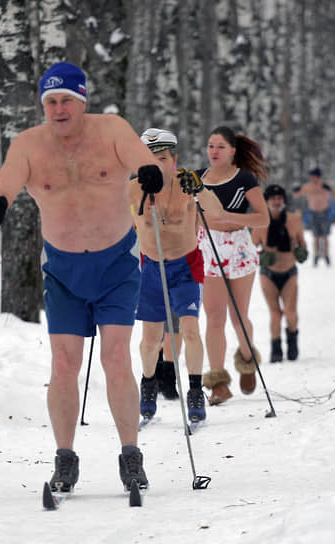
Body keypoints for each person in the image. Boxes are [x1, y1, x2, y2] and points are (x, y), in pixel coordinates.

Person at [0, 62, 163, 495]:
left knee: (115, 358)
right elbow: (3, 185)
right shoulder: (28, 145)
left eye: (66, 101)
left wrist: (150, 173)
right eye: (50, 101)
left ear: (82, 101)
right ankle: (65, 458)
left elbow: (145, 161)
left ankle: (131, 455)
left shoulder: (111, 130)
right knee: (64, 363)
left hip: (116, 264)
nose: (58, 109)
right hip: (62, 269)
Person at [130, 127, 225, 423]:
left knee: (190, 328)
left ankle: (195, 390)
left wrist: (200, 189)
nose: (157, 164)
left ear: (174, 158)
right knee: (150, 337)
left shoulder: (187, 183)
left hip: (185, 265)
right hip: (151, 267)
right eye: (150, 158)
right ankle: (148, 384)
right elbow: (109, 219)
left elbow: (217, 210)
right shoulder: (134, 188)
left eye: (162, 158)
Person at [196, 126, 269, 405]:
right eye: (210, 146)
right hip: (207, 248)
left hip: (237, 248)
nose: (214, 151)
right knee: (214, 317)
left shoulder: (244, 179)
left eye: (220, 147)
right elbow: (193, 214)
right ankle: (219, 383)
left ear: (232, 151)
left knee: (238, 317)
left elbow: (263, 218)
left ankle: (247, 359)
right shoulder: (198, 179)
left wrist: (229, 217)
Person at [251, 184, 308, 362]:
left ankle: (292, 342)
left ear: (284, 201)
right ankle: (276, 348)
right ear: (266, 202)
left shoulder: (294, 220)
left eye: (280, 198)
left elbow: (302, 244)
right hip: (268, 274)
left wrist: (301, 252)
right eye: (273, 199)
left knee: (291, 313)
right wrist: (262, 257)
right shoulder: (259, 223)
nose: (276, 202)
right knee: (275, 313)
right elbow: (250, 250)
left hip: (289, 273)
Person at [293, 168, 334, 266]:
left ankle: (326, 254)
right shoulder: (308, 186)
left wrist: (329, 189)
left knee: (324, 236)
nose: (312, 178)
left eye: (314, 176)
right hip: (313, 213)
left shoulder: (324, 185)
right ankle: (316, 255)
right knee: (316, 236)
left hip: (324, 212)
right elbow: (296, 195)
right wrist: (296, 189)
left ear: (318, 176)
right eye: (311, 176)